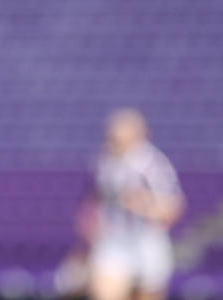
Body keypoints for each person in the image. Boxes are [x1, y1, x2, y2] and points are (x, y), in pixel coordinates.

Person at [79, 109, 185, 300]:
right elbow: (92, 201)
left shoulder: (153, 165)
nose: (112, 141)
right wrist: (89, 230)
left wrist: (142, 204)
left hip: (147, 242)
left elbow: (173, 208)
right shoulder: (103, 163)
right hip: (113, 241)